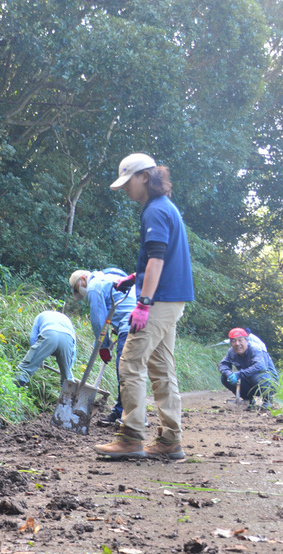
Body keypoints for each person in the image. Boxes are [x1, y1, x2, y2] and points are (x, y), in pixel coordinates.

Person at [94, 153, 194, 461]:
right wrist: (135, 278)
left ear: (145, 178)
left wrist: (144, 302)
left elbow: (157, 259)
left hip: (160, 300)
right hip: (173, 298)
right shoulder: (166, 208)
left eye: (128, 183)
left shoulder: (154, 211)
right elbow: (164, 258)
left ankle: (131, 436)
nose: (126, 190)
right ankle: (170, 439)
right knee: (162, 369)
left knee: (130, 363)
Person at [69, 268, 136, 425]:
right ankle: (120, 412)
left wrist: (103, 345)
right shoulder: (108, 277)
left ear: (83, 280)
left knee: (125, 371)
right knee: (127, 371)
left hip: (130, 326)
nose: (83, 294)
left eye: (78, 289)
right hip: (133, 323)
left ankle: (132, 416)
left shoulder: (94, 287)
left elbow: (98, 321)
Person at [219, 327, 279, 408]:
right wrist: (229, 374)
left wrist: (238, 374)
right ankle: (248, 400)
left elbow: (260, 366)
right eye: (233, 341)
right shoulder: (231, 352)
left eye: (240, 340)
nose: (237, 344)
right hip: (250, 383)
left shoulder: (255, 349)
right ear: (230, 343)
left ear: (246, 340)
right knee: (224, 378)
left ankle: (268, 400)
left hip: (268, 382)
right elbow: (223, 364)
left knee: (256, 374)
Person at [15, 310, 76, 387]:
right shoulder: (67, 319)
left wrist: (37, 358)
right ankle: (70, 396)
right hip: (67, 339)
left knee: (25, 368)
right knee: (67, 378)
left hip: (49, 334)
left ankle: (15, 390)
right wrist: (68, 368)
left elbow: (33, 338)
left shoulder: (40, 316)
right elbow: (74, 346)